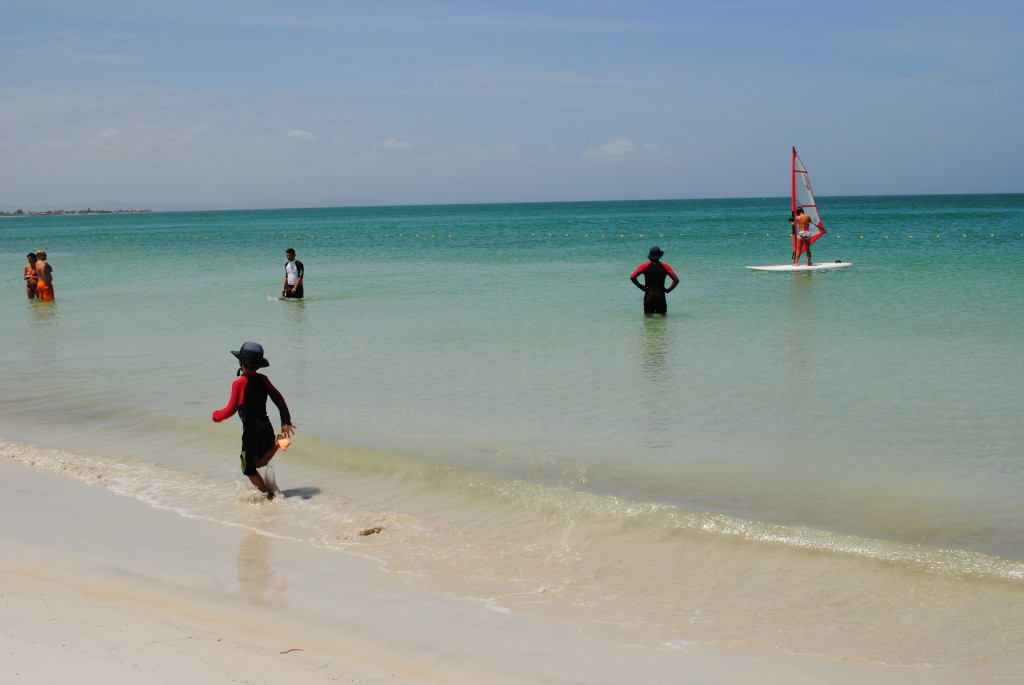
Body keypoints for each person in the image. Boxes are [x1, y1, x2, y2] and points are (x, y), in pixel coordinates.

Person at [212, 342, 295, 499]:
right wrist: (285, 420)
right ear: (258, 366)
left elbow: (231, 409)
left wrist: (217, 415)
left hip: (251, 432)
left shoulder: (239, 383)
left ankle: (268, 495)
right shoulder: (263, 380)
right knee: (260, 463)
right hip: (266, 427)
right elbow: (278, 397)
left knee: (248, 469)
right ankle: (277, 442)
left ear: (240, 363)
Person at [629, 246, 680, 316]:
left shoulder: (644, 266)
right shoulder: (665, 266)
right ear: (660, 256)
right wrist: (668, 290)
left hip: (649, 295)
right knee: (663, 317)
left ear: (650, 257)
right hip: (661, 295)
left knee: (648, 317)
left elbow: (632, 277)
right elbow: (676, 280)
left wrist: (641, 287)